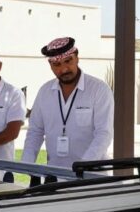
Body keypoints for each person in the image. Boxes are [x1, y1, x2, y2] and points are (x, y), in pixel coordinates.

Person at [21, 37, 113, 166]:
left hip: (91, 175)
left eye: (68, 61)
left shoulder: (98, 89)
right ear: (50, 65)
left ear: (77, 58)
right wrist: (26, 165)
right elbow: (35, 132)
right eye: (57, 64)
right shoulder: (45, 92)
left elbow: (104, 134)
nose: (64, 69)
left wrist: (84, 166)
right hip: (55, 173)